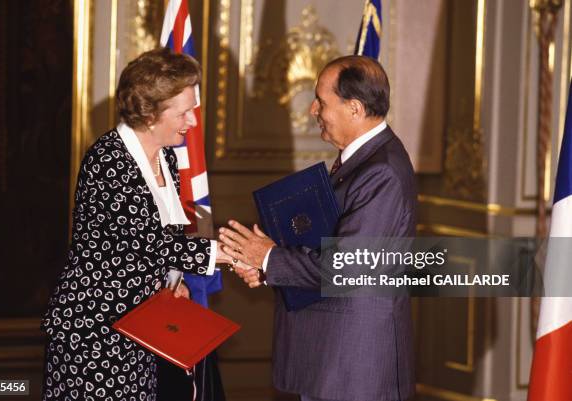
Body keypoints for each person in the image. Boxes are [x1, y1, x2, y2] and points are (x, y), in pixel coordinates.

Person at [219, 55, 416, 401]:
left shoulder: (381, 171)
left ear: (354, 108)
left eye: (322, 102)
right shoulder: (362, 161)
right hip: (333, 361)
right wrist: (269, 268)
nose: (312, 110)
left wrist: (270, 258)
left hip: (354, 368)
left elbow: (346, 267)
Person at [41, 47, 234, 401]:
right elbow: (149, 244)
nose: (192, 122)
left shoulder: (167, 159)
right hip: (96, 334)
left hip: (143, 330)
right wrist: (233, 254)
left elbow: (159, 249)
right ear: (149, 112)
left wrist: (174, 283)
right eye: (184, 112)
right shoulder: (108, 160)